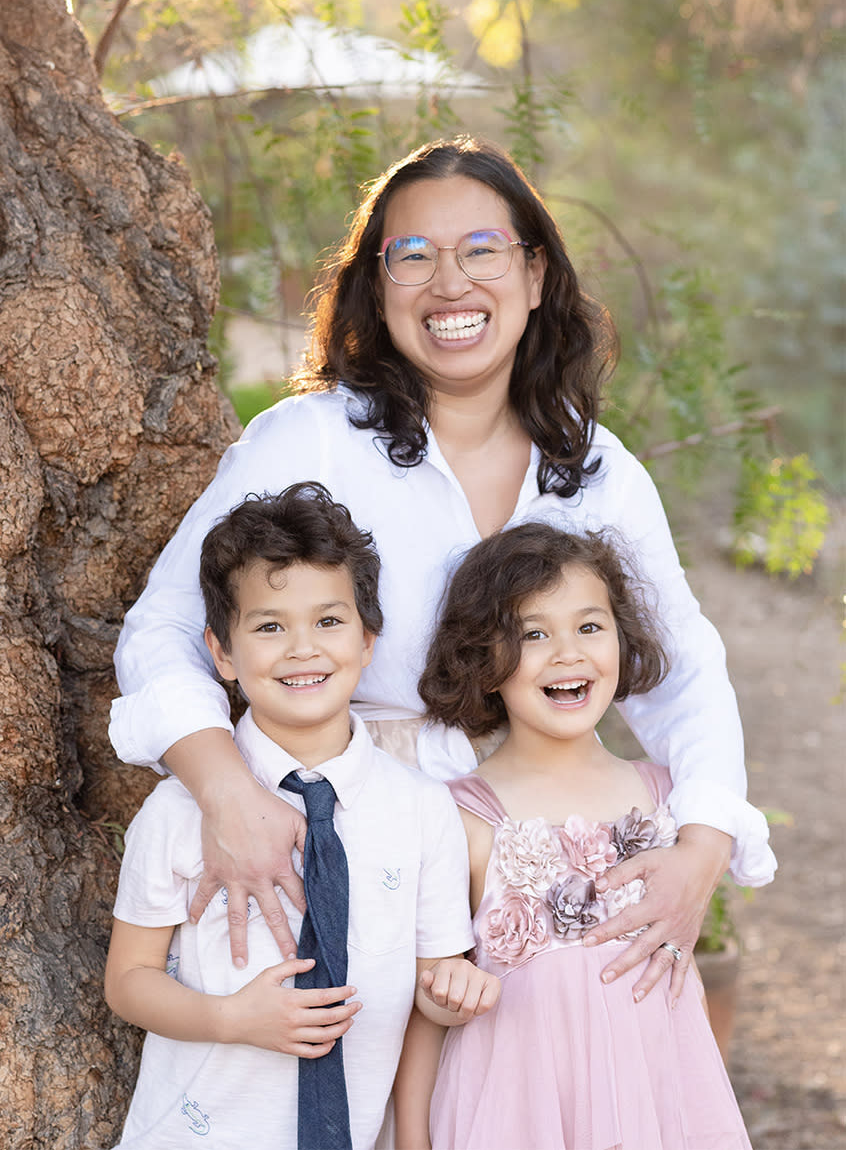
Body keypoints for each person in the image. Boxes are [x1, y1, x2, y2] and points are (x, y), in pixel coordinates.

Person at [109, 134, 775, 1006]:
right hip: (339, 836)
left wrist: (703, 848)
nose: (451, 283)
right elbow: (162, 630)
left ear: (536, 278)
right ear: (376, 287)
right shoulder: (309, 442)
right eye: (413, 255)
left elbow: (683, 672)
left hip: (535, 860)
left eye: (484, 251)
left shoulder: (598, 472)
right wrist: (227, 794)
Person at [104, 483, 500, 1148]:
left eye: (328, 620)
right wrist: (232, 1019)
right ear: (222, 654)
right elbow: (128, 981)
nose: (301, 648)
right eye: (268, 626)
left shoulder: (424, 808)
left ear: (369, 638)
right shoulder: (178, 809)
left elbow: (433, 986)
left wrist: (454, 991)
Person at [394, 523, 753, 1149]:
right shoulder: (464, 817)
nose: (568, 653)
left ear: (622, 638)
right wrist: (413, 1140)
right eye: (533, 634)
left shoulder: (671, 802)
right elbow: (425, 1006)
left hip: (661, 1112)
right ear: (484, 659)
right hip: (517, 1114)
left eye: (589, 627)